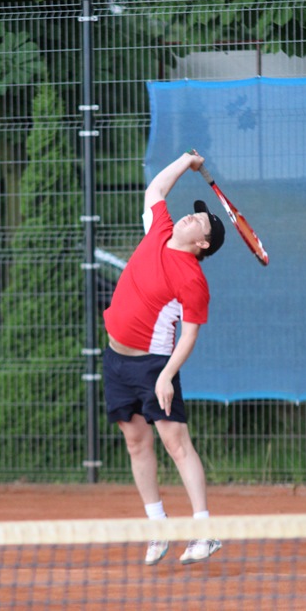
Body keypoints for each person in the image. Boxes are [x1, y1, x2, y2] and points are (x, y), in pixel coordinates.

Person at [102, 150, 227, 566]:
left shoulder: (192, 279)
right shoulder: (159, 227)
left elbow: (189, 335)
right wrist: (185, 160)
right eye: (194, 214)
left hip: (153, 366)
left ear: (203, 244)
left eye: (201, 220)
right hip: (115, 359)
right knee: (136, 442)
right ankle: (159, 528)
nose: (192, 217)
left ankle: (205, 533)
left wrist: (166, 375)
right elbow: (156, 188)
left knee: (176, 443)